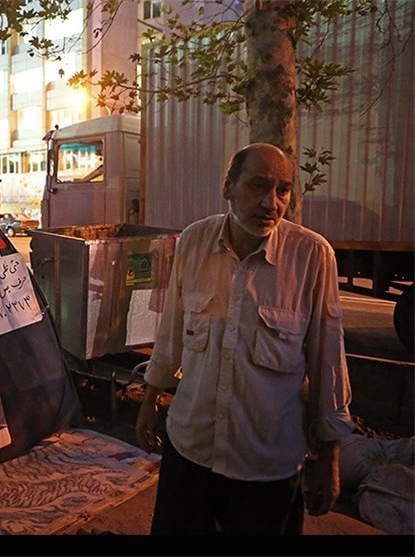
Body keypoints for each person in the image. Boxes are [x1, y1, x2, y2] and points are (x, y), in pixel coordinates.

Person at [135, 143, 354, 535]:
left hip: (266, 466)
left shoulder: (312, 257)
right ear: (228, 187)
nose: (271, 203)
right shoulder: (193, 242)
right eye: (258, 186)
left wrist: (329, 457)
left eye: (283, 190)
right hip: (191, 450)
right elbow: (171, 333)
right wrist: (150, 399)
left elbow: (328, 361)